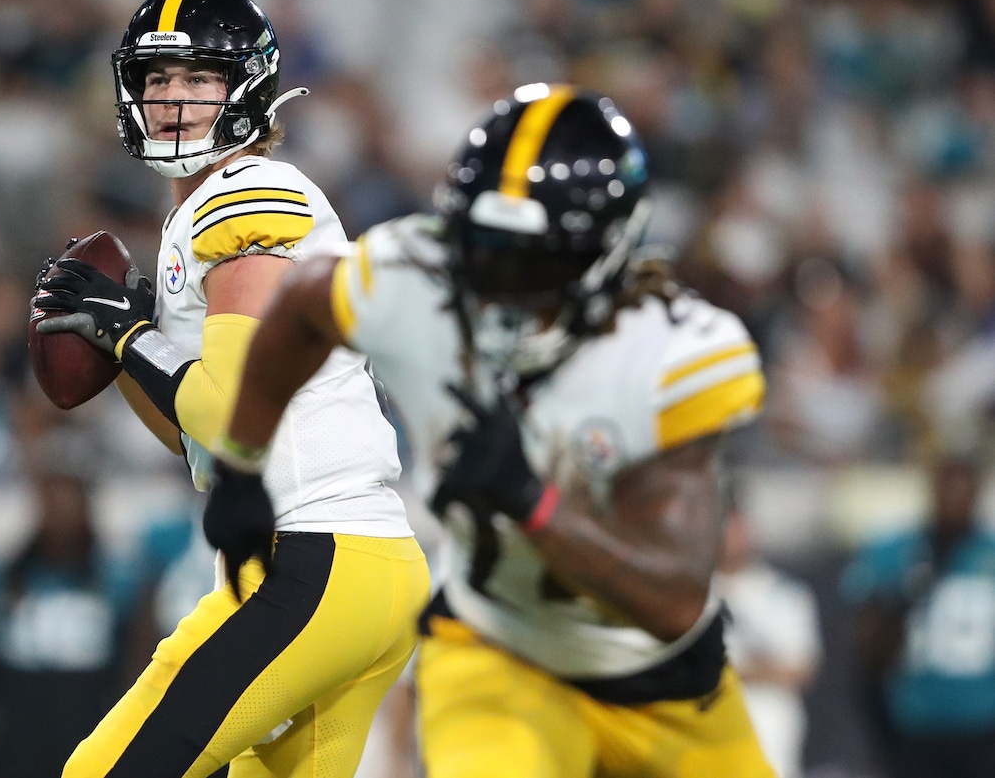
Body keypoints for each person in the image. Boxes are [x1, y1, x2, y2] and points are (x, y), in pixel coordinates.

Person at [208, 84, 776, 777]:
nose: (503, 286)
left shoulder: (671, 353)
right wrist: (240, 464)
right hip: (495, 650)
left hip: (662, 680)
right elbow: (301, 307)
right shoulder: (411, 277)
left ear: (611, 250)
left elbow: (673, 599)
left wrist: (531, 501)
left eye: (531, 264)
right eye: (485, 252)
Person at [31, 0, 429, 778]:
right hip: (350, 565)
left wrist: (128, 333)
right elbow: (197, 439)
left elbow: (223, 409)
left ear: (248, 86)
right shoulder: (205, 211)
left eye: (199, 79)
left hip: (317, 557)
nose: (173, 100)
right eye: (157, 80)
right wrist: (127, 348)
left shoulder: (251, 192)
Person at [0, 428, 141, 778]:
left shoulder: (119, 581)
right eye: (50, 493)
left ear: (88, 502)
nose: (60, 507)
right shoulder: (0, 578)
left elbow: (131, 674)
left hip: (90, 750)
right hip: (12, 754)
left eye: (70, 494)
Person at [843, 453, 995, 778]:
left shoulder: (989, 552)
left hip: (984, 719)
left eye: (963, 487)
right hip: (915, 718)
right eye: (947, 486)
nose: (955, 498)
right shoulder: (897, 552)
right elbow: (867, 644)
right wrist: (899, 604)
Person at [714, 496, 822, 778]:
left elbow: (799, 668)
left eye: (738, 527)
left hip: (773, 731)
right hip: (713, 730)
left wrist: (733, 668)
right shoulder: (693, 596)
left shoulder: (785, 594)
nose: (732, 537)